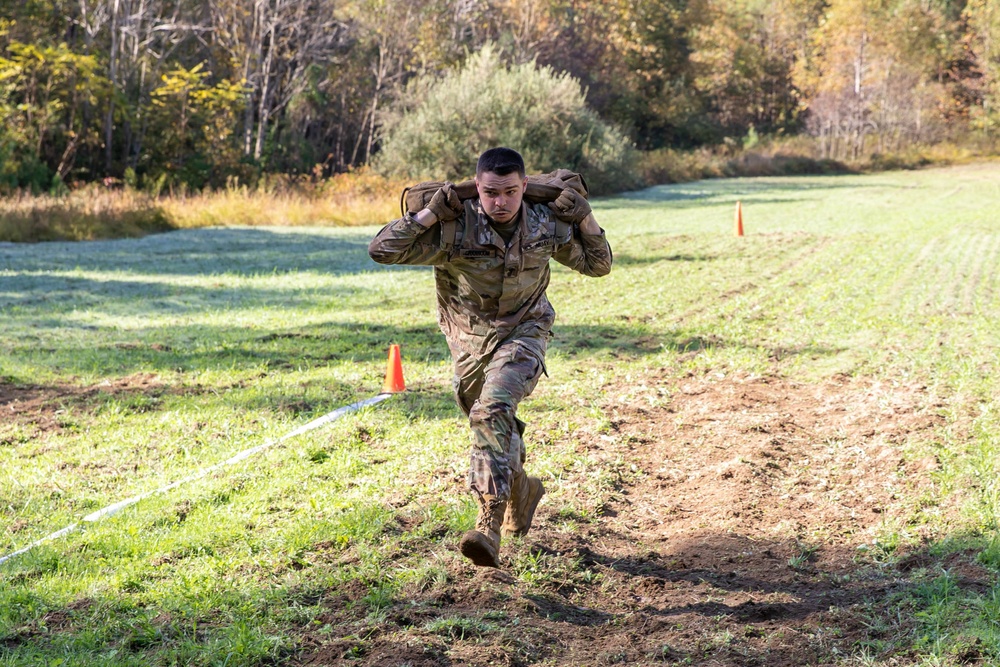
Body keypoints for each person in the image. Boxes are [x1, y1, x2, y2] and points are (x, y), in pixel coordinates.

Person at [368, 147, 612, 568]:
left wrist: (584, 217)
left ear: (523, 188)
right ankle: (522, 488)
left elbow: (598, 264)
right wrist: (428, 215)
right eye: (490, 193)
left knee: (491, 411)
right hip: (469, 343)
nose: (500, 203)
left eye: (511, 192)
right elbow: (382, 250)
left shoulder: (544, 221)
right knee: (491, 425)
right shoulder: (453, 226)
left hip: (525, 332)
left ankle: (487, 523)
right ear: (477, 187)